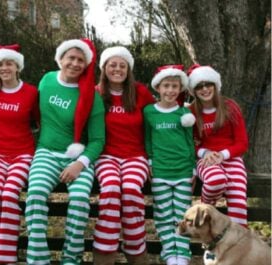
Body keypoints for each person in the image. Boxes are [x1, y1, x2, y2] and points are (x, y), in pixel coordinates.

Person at [24, 38, 105, 265]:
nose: (75, 63)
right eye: (71, 57)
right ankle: (38, 258)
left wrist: (80, 164)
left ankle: (71, 258)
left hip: (80, 158)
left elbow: (98, 139)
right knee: (36, 194)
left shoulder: (92, 95)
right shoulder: (47, 80)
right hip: (47, 152)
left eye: (81, 60)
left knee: (79, 199)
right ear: (60, 59)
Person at [92, 46, 155, 265]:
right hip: (106, 156)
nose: (117, 69)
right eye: (112, 64)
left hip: (135, 156)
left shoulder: (140, 92)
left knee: (129, 190)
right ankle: (105, 250)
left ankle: (136, 249)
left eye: (122, 65)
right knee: (110, 188)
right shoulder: (96, 93)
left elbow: (155, 123)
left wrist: (154, 158)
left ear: (128, 69)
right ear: (104, 68)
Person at [0, 44, 39, 265]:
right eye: (0, 64)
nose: (5, 68)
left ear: (17, 67)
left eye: (9, 64)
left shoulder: (31, 92)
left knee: (10, 194)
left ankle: (5, 257)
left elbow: (41, 122)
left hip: (23, 154)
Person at [143, 65, 196, 265]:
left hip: (182, 171)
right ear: (158, 87)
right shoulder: (149, 112)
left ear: (180, 89)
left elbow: (190, 142)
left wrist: (193, 169)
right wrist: (149, 161)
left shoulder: (184, 113)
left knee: (183, 215)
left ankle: (182, 255)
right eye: (166, 86)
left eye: (175, 86)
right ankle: (169, 254)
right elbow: (147, 139)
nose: (170, 90)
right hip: (160, 171)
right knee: (164, 215)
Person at [187, 64, 248, 226]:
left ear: (215, 85)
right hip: (206, 159)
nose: (205, 89)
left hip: (231, 158)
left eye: (208, 84)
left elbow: (242, 143)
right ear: (194, 90)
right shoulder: (191, 112)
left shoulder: (230, 107)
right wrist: (204, 153)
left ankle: (238, 244)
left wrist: (222, 155)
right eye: (199, 86)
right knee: (216, 180)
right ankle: (205, 210)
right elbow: (188, 144)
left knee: (239, 202)